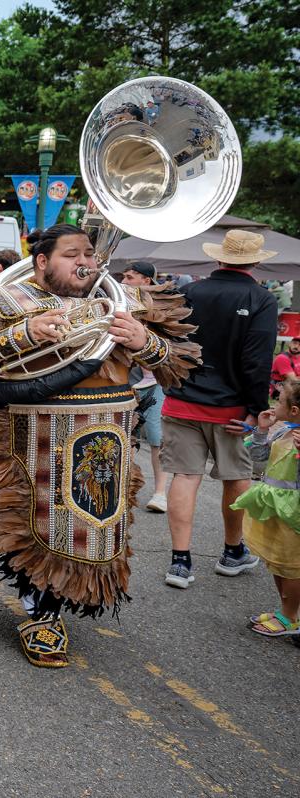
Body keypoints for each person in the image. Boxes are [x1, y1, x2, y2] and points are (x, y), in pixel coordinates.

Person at [0, 224, 199, 668]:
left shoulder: (128, 301)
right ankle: (42, 609)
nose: (84, 262)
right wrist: (25, 333)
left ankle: (60, 596)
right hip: (35, 432)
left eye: (88, 253)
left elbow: (180, 368)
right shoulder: (6, 300)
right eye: (72, 255)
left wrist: (145, 342)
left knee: (96, 524)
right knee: (42, 524)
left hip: (108, 433)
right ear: (42, 261)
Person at [162, 229, 278, 589]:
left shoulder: (190, 292)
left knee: (185, 476)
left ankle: (180, 562)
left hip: (181, 399)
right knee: (235, 476)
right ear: (255, 262)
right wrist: (256, 409)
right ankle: (232, 551)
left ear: (218, 257)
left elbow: (168, 342)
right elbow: (257, 361)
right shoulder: (261, 298)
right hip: (232, 408)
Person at [232, 377, 300, 637]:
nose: (274, 404)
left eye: (279, 401)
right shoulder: (283, 432)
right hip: (274, 510)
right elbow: (258, 458)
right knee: (277, 562)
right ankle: (285, 611)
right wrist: (261, 431)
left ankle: (290, 617)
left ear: (294, 410)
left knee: (293, 566)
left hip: (293, 514)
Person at [120, 261, 168, 512]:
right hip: (129, 379)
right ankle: (123, 488)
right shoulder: (119, 300)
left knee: (157, 437)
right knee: (124, 436)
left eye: (130, 277)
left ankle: (160, 493)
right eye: (124, 277)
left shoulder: (162, 304)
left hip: (155, 383)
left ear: (146, 281)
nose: (124, 281)